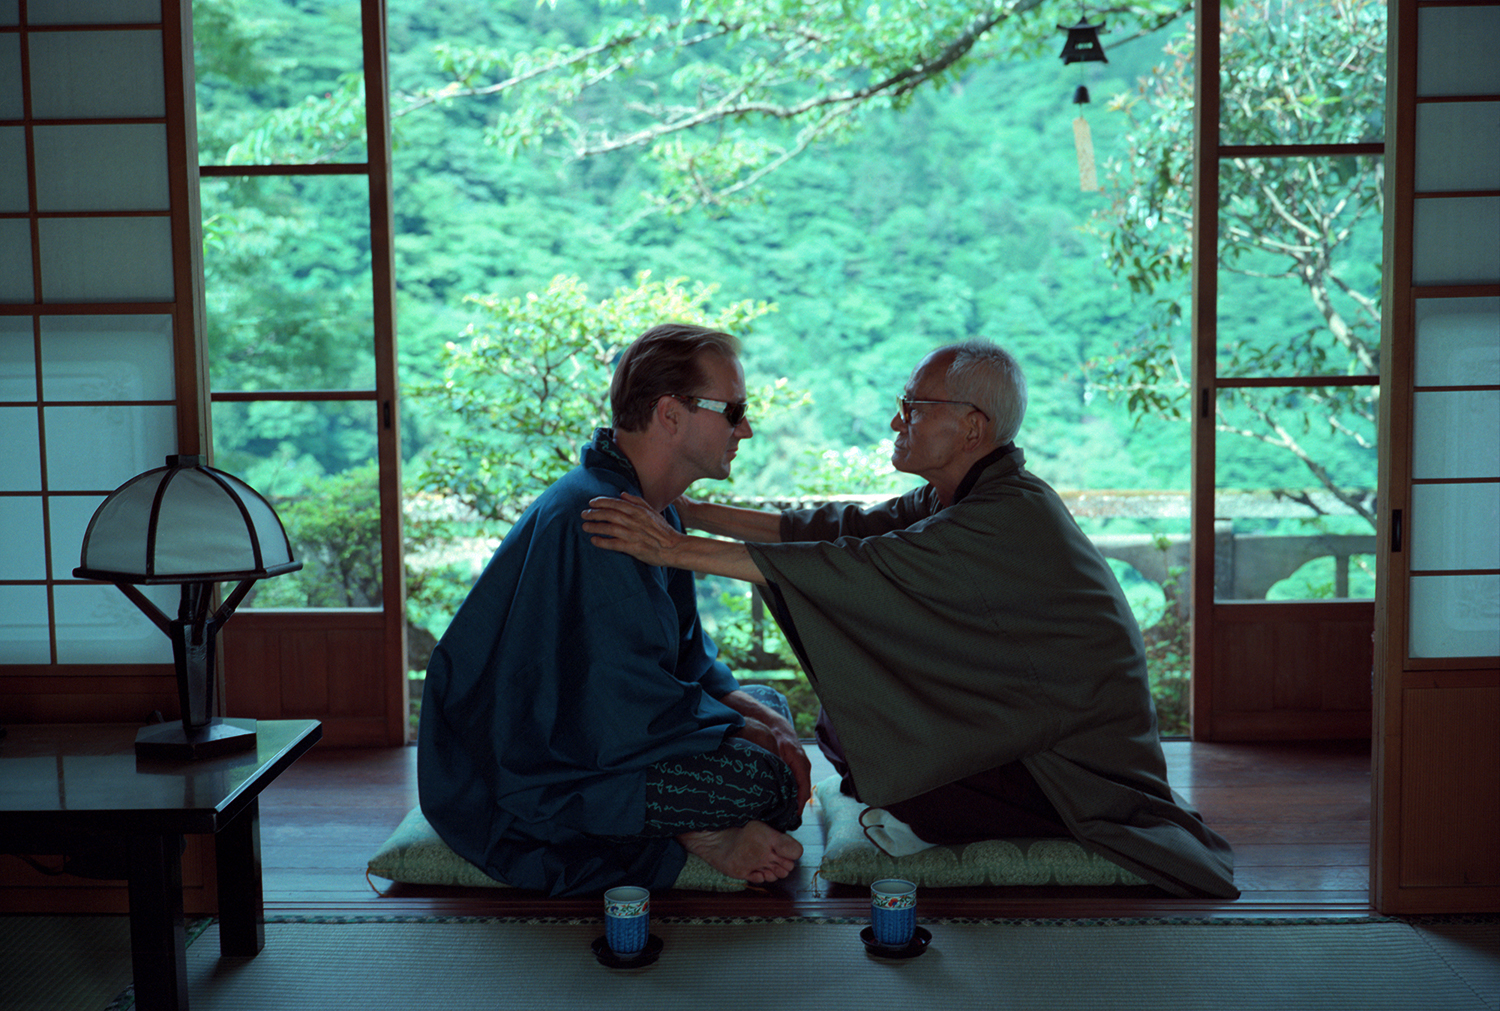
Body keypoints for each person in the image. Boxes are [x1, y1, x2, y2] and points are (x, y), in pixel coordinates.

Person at [582, 339, 1239, 899]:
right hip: (1021, 720)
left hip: (1072, 765)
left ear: (973, 428)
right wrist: (682, 509)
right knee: (848, 725)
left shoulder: (1004, 515)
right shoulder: (966, 491)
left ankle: (943, 823)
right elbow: (833, 529)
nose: (899, 419)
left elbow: (858, 563)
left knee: (879, 752)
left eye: (916, 409)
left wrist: (669, 547)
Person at [418, 323, 810, 898]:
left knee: (772, 708)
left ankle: (696, 822)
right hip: (536, 765)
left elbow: (684, 658)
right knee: (767, 780)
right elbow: (616, 710)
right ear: (671, 414)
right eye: (734, 411)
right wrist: (752, 735)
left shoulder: (650, 508)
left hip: (609, 729)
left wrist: (759, 718)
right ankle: (697, 831)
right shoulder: (602, 519)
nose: (745, 429)